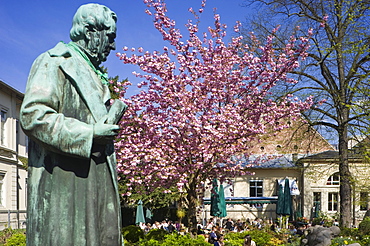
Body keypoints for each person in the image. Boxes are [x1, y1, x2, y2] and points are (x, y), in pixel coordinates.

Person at [20, 4, 125, 246]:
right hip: (66, 187)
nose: (113, 46)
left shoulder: (93, 72)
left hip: (94, 184)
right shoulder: (54, 61)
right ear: (90, 32)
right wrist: (89, 133)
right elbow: (33, 116)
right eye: (110, 37)